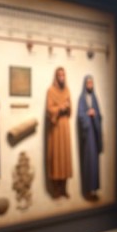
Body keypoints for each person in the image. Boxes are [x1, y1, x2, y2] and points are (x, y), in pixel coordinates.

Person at [46, 67, 73, 197]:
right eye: (59, 75)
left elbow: (70, 110)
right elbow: (49, 109)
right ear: (56, 77)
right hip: (56, 127)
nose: (61, 77)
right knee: (56, 157)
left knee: (65, 157)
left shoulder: (67, 90)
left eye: (63, 75)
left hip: (65, 126)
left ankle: (64, 189)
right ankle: (56, 189)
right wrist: (60, 107)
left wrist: (67, 107)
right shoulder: (50, 91)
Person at [77, 75, 103, 200]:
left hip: (95, 133)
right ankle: (87, 191)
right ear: (85, 84)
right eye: (88, 82)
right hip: (87, 137)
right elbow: (80, 116)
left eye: (91, 82)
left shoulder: (94, 98)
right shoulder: (82, 99)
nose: (90, 84)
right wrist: (88, 114)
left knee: (95, 163)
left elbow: (99, 115)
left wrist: (95, 114)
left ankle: (94, 190)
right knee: (88, 162)